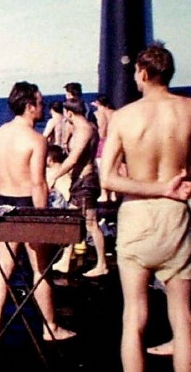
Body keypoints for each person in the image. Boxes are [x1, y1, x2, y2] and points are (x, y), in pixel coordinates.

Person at [100, 43, 191, 372]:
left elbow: (110, 179)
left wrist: (156, 188)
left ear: (143, 73)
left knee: (134, 317)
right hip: (176, 219)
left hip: (137, 218)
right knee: (183, 320)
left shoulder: (124, 118)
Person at [0, 81, 76, 342]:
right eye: (40, 102)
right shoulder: (36, 140)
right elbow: (39, 183)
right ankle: (51, 328)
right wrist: (44, 218)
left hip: (3, 203)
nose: (43, 106)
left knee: (2, 268)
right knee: (41, 269)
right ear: (29, 106)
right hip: (27, 205)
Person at [49, 98, 109, 277]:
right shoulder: (85, 127)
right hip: (79, 182)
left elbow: (74, 158)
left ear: (69, 113)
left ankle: (102, 264)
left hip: (85, 183)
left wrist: (55, 175)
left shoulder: (84, 130)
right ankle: (66, 260)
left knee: (91, 223)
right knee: (73, 222)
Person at [92, 95, 117, 202]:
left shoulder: (98, 114)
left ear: (98, 103)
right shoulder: (115, 113)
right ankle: (114, 193)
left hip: (101, 142)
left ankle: (104, 193)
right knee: (113, 168)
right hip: (113, 141)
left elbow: (98, 131)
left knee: (101, 168)